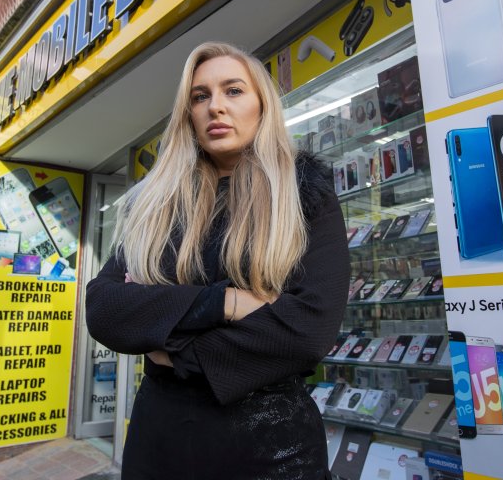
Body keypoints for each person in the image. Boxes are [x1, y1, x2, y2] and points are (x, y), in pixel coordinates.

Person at [85, 42, 350, 479]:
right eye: (200, 96)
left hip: (271, 447)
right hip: (160, 442)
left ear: (262, 105)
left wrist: (175, 349)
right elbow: (104, 308)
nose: (216, 107)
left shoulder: (305, 195)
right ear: (187, 114)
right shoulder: (154, 205)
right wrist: (222, 303)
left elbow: (307, 331)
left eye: (233, 91)